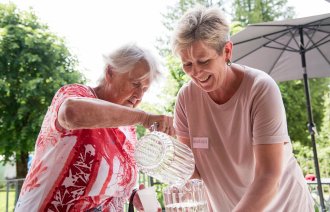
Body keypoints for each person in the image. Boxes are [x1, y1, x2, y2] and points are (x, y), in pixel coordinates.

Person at [171, 5, 314, 212]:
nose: (196, 72)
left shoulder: (260, 89)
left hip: (285, 206)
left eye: (203, 61)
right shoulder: (186, 99)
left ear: (227, 51)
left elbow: (268, 176)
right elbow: (190, 170)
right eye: (187, 64)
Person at [15, 43, 173, 211]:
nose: (139, 95)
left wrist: (133, 195)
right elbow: (71, 113)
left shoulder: (128, 129)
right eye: (135, 84)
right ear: (110, 72)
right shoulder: (76, 95)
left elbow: (112, 183)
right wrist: (144, 117)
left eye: (145, 89)